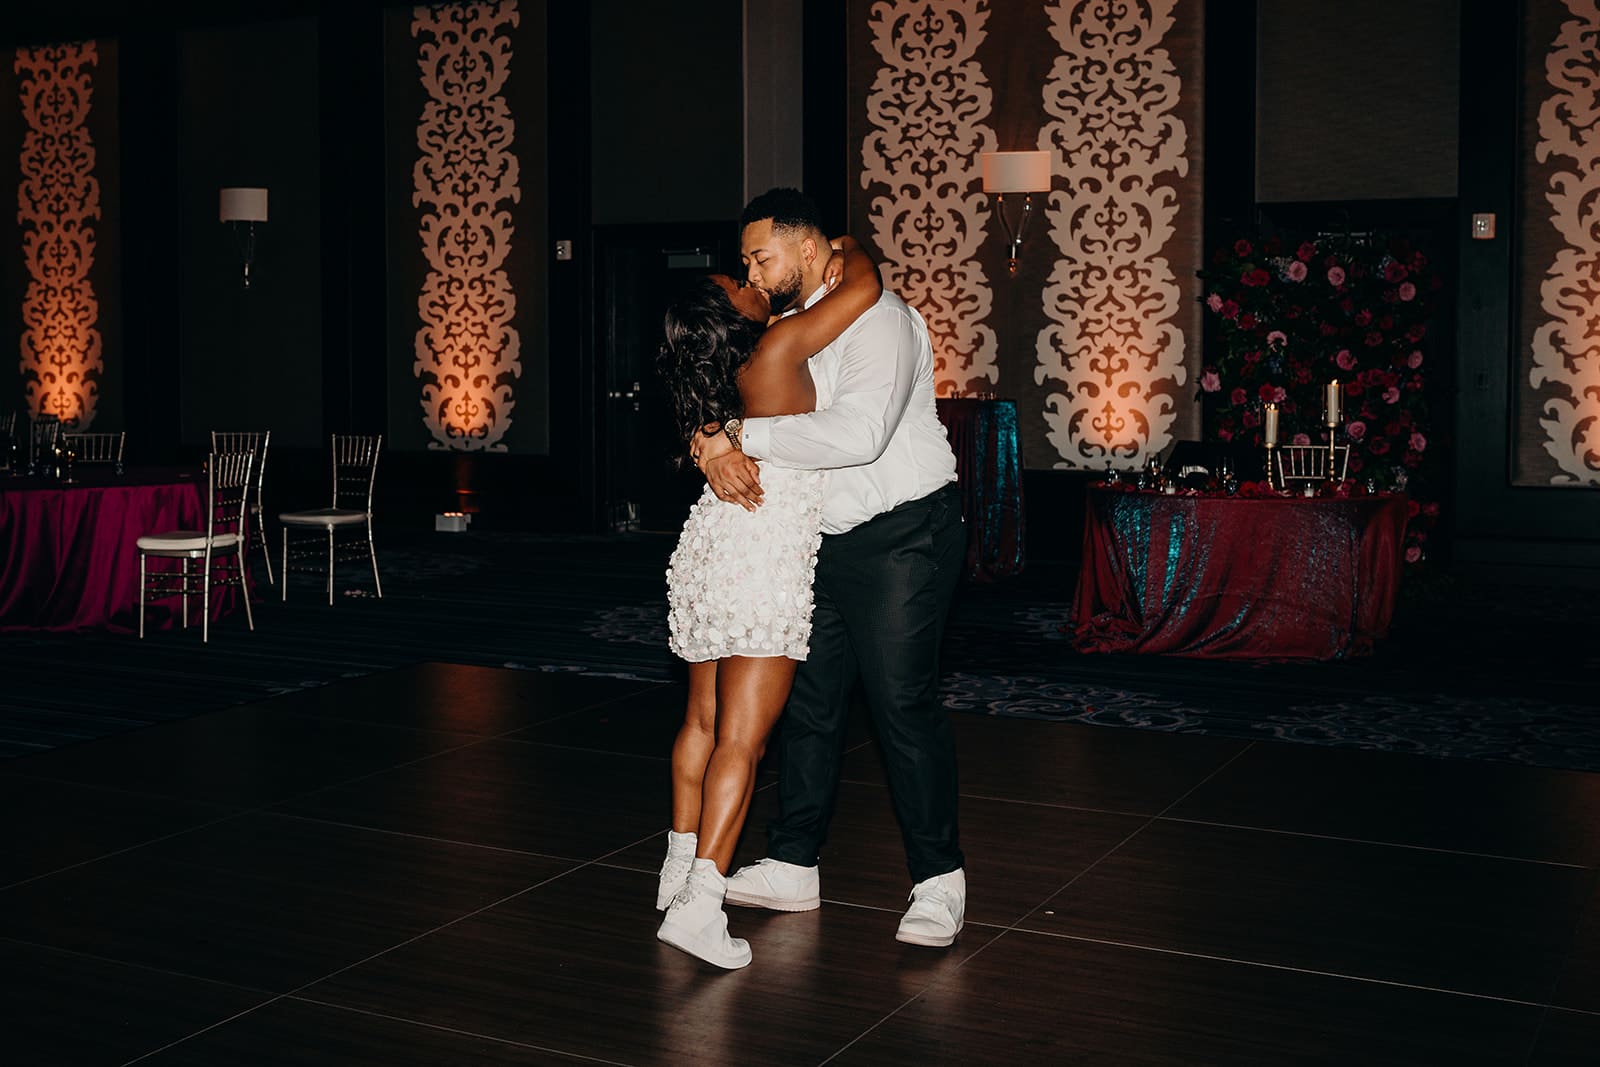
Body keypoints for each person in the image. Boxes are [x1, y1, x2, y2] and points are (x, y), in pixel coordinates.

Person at [695, 188, 967, 949]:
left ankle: (939, 878)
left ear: (808, 249)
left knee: (901, 704)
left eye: (760, 255)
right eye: (746, 259)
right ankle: (792, 859)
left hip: (903, 533)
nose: (749, 269)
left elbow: (860, 434)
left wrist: (741, 437)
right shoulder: (787, 325)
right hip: (819, 537)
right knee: (811, 703)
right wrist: (707, 434)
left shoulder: (880, 321)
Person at [653, 234, 882, 969]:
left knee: (701, 719)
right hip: (762, 550)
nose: (754, 282)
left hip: (707, 545)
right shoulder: (777, 348)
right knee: (743, 742)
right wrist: (849, 246)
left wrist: (709, 442)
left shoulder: (709, 382)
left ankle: (677, 866)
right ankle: (702, 902)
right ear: (732, 312)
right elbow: (864, 290)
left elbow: (709, 431)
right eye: (739, 281)